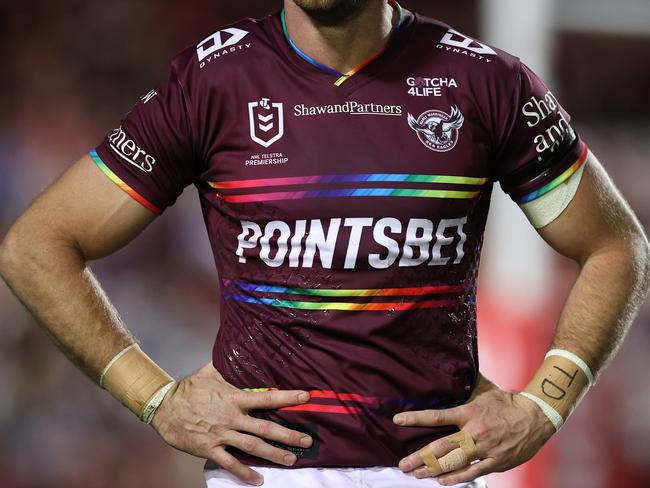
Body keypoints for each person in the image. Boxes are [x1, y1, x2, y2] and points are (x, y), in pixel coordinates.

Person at [1, 0, 649, 487]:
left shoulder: (484, 83)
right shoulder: (213, 82)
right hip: (263, 475)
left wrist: (544, 405)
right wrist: (156, 398)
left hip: (428, 473)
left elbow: (616, 247)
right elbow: (38, 245)